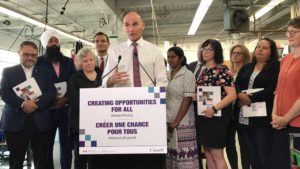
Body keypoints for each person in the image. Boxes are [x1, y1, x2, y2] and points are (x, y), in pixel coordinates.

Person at [102, 11, 168, 169]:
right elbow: (104, 82)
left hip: (149, 111)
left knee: (148, 157)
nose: (131, 28)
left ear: (142, 26)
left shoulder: (155, 51)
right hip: (123, 114)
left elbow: (162, 81)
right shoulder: (115, 52)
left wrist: (154, 102)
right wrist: (111, 80)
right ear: (124, 28)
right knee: (127, 157)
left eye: (135, 24)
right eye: (127, 25)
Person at [0, 41, 56, 169]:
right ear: (19, 53)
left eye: (33, 55)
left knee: (41, 161)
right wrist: (23, 104)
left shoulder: (45, 72)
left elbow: (51, 92)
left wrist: (37, 105)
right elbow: (4, 92)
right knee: (16, 161)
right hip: (15, 122)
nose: (30, 58)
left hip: (40, 122)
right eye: (26, 54)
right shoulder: (9, 71)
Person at [235, 38, 280, 169]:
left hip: (263, 119)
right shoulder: (247, 67)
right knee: (252, 154)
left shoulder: (276, 67)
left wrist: (250, 98)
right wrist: (239, 95)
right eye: (258, 47)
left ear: (272, 52)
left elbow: (273, 89)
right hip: (244, 117)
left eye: (264, 48)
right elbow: (236, 83)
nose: (259, 49)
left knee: (263, 153)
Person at [37, 29, 76, 169]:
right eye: (50, 41)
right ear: (45, 44)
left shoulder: (68, 62)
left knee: (66, 146)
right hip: (47, 111)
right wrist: (49, 100)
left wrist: (65, 99)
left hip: (66, 110)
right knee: (47, 146)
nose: (54, 44)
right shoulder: (39, 62)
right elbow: (36, 85)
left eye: (56, 41)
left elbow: (74, 83)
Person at [195, 39, 236, 169]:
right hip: (204, 116)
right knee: (208, 154)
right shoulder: (202, 70)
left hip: (217, 117)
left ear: (216, 52)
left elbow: (232, 95)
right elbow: (207, 92)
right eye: (203, 49)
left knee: (217, 154)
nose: (205, 52)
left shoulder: (222, 69)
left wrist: (213, 108)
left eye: (209, 49)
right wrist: (197, 96)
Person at [271, 16, 300, 169]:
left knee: (296, 164)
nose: (289, 36)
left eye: (293, 32)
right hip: (281, 125)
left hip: (296, 125)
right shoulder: (286, 59)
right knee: (280, 164)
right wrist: (275, 115)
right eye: (288, 32)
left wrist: (286, 118)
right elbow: (278, 90)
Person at [68, 47, 102, 169]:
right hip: (80, 125)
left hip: (100, 123)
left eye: (91, 60)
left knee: (98, 157)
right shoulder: (74, 78)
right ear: (80, 63)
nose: (89, 63)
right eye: (85, 61)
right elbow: (75, 102)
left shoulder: (102, 75)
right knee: (80, 158)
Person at [166, 46, 199, 169]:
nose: (170, 60)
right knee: (172, 157)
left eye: (173, 57)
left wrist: (176, 122)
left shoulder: (187, 74)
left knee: (184, 159)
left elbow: (187, 99)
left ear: (181, 58)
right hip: (168, 123)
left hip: (183, 123)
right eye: (168, 57)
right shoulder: (167, 74)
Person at [226, 44, 251, 169]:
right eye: (233, 52)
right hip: (228, 113)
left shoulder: (248, 71)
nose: (235, 55)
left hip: (243, 111)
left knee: (244, 144)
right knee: (230, 144)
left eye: (238, 53)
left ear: (244, 56)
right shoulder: (227, 72)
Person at [188, 46, 204, 169]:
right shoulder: (191, 66)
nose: (202, 52)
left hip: (207, 111)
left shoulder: (216, 68)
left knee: (210, 148)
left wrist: (200, 96)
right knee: (196, 142)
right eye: (200, 50)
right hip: (191, 109)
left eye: (206, 50)